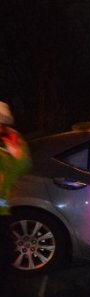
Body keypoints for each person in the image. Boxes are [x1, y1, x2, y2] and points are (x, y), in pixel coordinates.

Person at [0, 102, 31, 277]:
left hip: (2, 212)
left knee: (6, 252)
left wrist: (15, 150)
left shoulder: (11, 142)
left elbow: (23, 167)